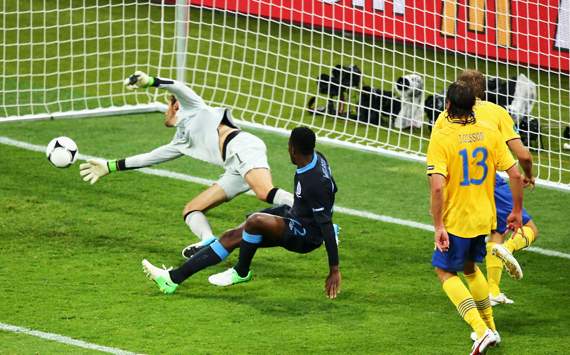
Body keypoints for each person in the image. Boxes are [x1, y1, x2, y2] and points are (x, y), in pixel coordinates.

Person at [79, 71, 294, 258]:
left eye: (167, 105)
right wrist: (110, 166)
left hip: (242, 146)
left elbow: (178, 86)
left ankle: (305, 206)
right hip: (233, 166)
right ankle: (208, 240)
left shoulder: (193, 107)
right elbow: (148, 158)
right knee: (192, 209)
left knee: (263, 192)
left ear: (176, 105)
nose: (166, 111)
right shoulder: (180, 142)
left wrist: (151, 81)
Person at [141, 127, 341, 299]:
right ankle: (171, 279)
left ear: (294, 149)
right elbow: (332, 190)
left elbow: (324, 205)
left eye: (289, 145)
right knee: (232, 235)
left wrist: (334, 269)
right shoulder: (316, 159)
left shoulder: (315, 181)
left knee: (255, 221)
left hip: (306, 235)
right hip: (296, 215)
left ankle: (241, 271)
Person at [427, 81, 524, 354]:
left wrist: (438, 226)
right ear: (473, 105)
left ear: (447, 105)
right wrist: (516, 211)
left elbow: (437, 186)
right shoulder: (489, 132)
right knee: (470, 267)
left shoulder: (442, 136)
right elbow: (515, 174)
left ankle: (480, 330)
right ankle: (490, 328)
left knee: (444, 270)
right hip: (484, 216)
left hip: (458, 217)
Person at [433, 69, 539, 306]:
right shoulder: (496, 112)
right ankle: (508, 249)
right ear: (483, 90)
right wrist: (528, 175)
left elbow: (437, 164)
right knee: (527, 228)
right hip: (489, 181)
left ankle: (491, 294)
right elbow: (523, 155)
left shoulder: (444, 116)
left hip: (457, 191)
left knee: (478, 252)